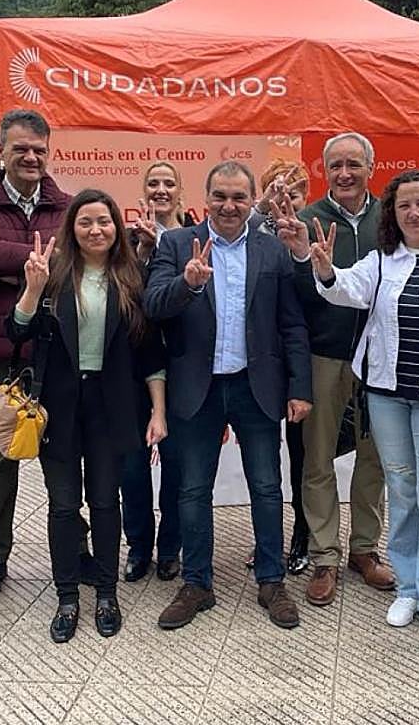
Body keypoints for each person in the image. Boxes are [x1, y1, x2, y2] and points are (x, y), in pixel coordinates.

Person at [308, 172, 419, 655]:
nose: (413, 212)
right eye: (404, 205)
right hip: (386, 398)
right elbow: (344, 289)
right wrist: (324, 268)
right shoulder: (382, 262)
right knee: (403, 496)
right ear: (393, 214)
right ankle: (408, 589)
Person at [146, 161, 313, 630]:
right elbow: (153, 305)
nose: (229, 205)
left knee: (266, 486)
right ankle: (197, 583)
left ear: (251, 198)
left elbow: (291, 324)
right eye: (220, 195)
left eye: (239, 197)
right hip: (197, 388)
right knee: (193, 489)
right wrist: (188, 283)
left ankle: (270, 579)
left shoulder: (271, 250)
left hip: (255, 386)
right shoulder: (178, 244)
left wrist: (300, 387)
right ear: (206, 196)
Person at [8, 190, 167, 643]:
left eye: (104, 221)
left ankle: (105, 592)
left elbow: (150, 355)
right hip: (58, 405)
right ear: (71, 229)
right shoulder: (52, 275)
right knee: (62, 504)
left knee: (103, 502)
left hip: (113, 404)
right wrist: (32, 290)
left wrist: (158, 411)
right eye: (85, 222)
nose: (96, 230)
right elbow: (16, 332)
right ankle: (66, 596)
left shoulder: (131, 278)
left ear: (117, 227)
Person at [0, 108, 72, 603]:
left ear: (50, 153)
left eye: (39, 150)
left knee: (61, 456)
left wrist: (9, 256)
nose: (30, 157)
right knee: (0, 453)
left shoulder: (68, 204)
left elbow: (74, 260)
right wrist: (36, 260)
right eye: (20, 148)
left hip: (56, 350)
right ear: (0, 149)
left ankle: (73, 547)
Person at [275, 131, 395, 607]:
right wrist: (304, 256)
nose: (344, 173)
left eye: (354, 163)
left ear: (371, 166)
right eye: (336, 165)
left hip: (381, 356)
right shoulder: (305, 221)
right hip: (323, 357)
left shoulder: (392, 218)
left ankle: (364, 550)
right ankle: (325, 553)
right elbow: (293, 301)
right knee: (317, 458)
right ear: (324, 171)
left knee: (375, 458)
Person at [121, 161, 192, 584]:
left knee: (178, 467)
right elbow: (133, 303)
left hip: (183, 368)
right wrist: (144, 254)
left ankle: (170, 549)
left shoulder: (197, 238)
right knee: (132, 467)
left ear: (181, 192)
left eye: (169, 183)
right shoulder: (128, 243)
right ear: (143, 191)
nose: (161, 190)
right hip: (134, 370)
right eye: (153, 183)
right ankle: (139, 546)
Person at [249, 160, 313, 573]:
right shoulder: (251, 233)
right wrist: (263, 209)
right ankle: (267, 541)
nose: (286, 198)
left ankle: (303, 536)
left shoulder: (313, 231)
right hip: (263, 366)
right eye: (277, 189)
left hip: (305, 355)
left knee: (304, 459)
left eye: (295, 191)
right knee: (266, 467)